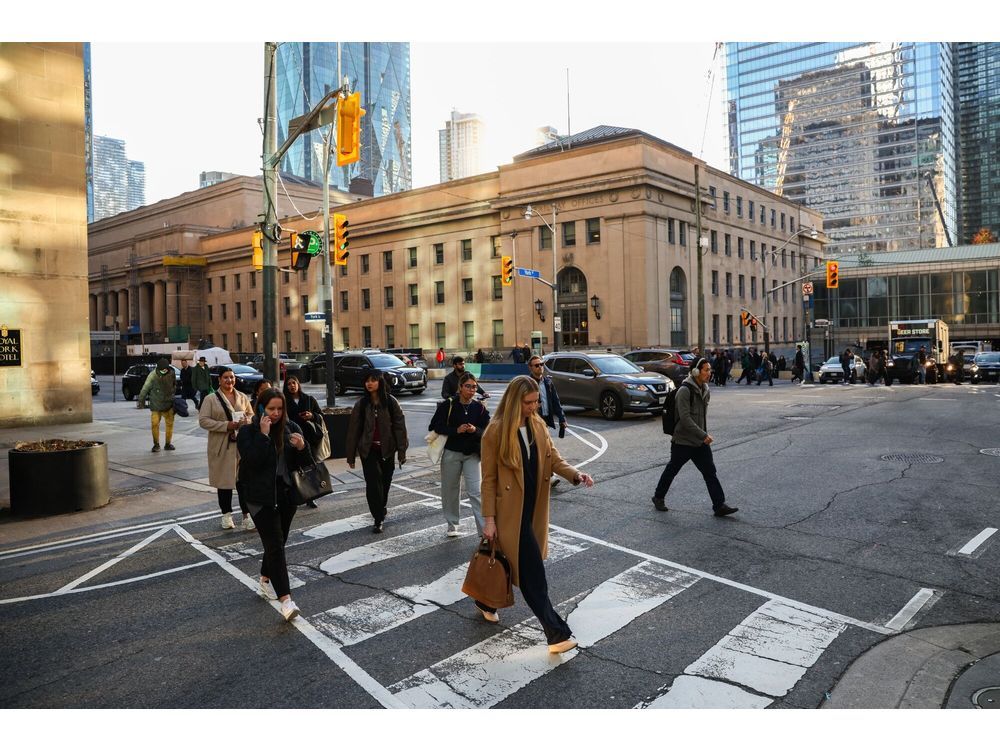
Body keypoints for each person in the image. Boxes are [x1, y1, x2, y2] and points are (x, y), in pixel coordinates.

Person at [481, 375, 594, 651]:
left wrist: (575, 474)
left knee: (503, 561)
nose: (534, 406)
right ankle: (556, 634)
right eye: (528, 402)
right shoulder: (494, 432)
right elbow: (489, 479)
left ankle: (484, 598)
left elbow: (553, 458)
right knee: (533, 574)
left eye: (536, 401)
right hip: (510, 514)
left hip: (532, 509)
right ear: (513, 401)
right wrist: (490, 520)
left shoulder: (538, 424)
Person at [236, 388, 312, 622]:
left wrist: (302, 448)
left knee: (278, 543)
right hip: (259, 497)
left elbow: (305, 464)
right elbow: (253, 462)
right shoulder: (248, 432)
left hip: (286, 495)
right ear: (261, 408)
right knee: (276, 546)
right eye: (271, 409)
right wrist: (263, 435)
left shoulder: (292, 428)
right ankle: (286, 601)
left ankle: (264, 579)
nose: (276, 413)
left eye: (280, 408)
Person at [651, 357, 737, 517]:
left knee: (710, 472)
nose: (709, 373)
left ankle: (719, 505)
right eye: (706, 370)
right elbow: (685, 418)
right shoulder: (685, 391)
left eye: (710, 370)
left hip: (700, 442)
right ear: (696, 371)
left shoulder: (705, 389)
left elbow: (701, 417)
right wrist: (703, 434)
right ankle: (658, 497)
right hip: (683, 441)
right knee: (672, 470)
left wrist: (702, 436)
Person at [346, 371, 408, 533]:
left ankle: (381, 506)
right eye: (367, 380)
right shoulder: (361, 404)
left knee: (385, 482)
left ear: (380, 382)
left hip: (387, 449)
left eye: (373, 380)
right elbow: (353, 431)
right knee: (373, 484)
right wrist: (351, 455)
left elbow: (400, 428)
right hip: (368, 450)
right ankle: (378, 518)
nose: (369, 383)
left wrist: (402, 452)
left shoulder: (391, 402)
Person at [430, 372, 491, 537]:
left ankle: (484, 529)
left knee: (476, 491)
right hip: (451, 453)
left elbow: (488, 431)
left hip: (472, 454)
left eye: (474, 387)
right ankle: (452, 524)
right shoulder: (448, 405)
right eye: (468, 386)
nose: (471, 390)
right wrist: (455, 430)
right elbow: (435, 426)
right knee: (450, 490)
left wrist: (475, 430)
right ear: (460, 387)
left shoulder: (479, 408)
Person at [199, 367, 255, 530]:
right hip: (222, 445)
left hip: (241, 444)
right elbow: (203, 421)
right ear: (219, 380)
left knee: (243, 482)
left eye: (231, 377)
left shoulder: (242, 397)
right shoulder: (210, 399)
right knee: (224, 483)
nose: (229, 380)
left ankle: (247, 516)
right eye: (225, 377)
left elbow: (251, 415)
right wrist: (226, 425)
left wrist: (247, 421)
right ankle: (226, 515)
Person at [282, 374, 325, 508]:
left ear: (298, 384)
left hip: (308, 439)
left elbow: (320, 415)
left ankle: (310, 495)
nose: (292, 386)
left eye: (294, 383)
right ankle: (294, 494)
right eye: (289, 384)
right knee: (293, 468)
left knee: (308, 466)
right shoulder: (283, 401)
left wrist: (312, 416)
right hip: (291, 438)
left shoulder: (309, 399)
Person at [138, 358, 177, 452]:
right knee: (155, 424)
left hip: (168, 404)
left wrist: (172, 395)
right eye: (161, 369)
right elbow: (145, 389)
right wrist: (141, 401)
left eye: (165, 369)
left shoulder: (172, 373)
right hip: (156, 405)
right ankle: (156, 444)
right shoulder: (153, 375)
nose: (163, 371)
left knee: (168, 425)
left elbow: (174, 385)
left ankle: (167, 444)